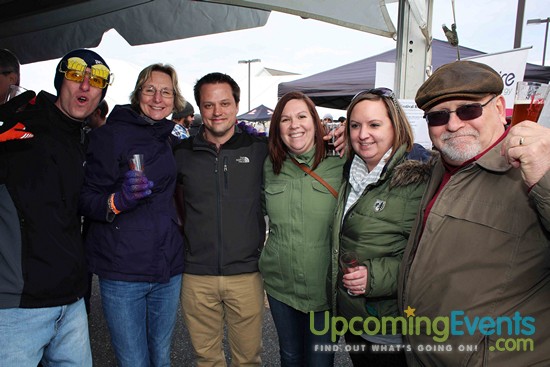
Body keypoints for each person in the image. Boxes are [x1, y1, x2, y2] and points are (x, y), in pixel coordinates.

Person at [398, 60, 550, 366]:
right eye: (438, 116)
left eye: (468, 110)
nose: (453, 125)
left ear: (498, 108)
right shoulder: (442, 165)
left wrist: (545, 179)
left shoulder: (534, 168)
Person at [0, 48, 112, 366]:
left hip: (72, 302)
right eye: (76, 76)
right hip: (17, 307)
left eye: (97, 80)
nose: (86, 86)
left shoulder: (81, 138)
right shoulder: (20, 125)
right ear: (60, 81)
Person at [80, 63, 186, 367]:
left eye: (165, 91)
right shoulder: (109, 136)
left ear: (174, 98)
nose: (157, 98)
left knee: (162, 357)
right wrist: (116, 201)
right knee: (134, 362)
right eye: (149, 89)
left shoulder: (171, 137)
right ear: (137, 93)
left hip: (168, 267)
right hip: (124, 272)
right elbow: (85, 199)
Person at [329, 88, 430, 366]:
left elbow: (432, 260)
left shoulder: (419, 180)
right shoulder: (351, 171)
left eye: (374, 125)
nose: (363, 134)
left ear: (395, 126)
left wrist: (374, 277)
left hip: (390, 327)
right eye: (355, 125)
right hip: (354, 320)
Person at [173, 72, 268, 366]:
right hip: (196, 275)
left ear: (237, 105)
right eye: (209, 105)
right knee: (207, 359)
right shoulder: (180, 153)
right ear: (200, 108)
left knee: (248, 359)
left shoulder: (259, 150)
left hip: (246, 274)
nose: (217, 112)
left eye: (225, 103)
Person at [259, 91, 344, 366]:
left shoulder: (342, 162)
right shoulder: (270, 167)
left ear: (315, 122)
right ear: (277, 128)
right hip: (281, 286)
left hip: (324, 290)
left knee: (320, 361)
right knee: (290, 356)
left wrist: (351, 132)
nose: (294, 125)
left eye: (301, 116)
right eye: (285, 119)